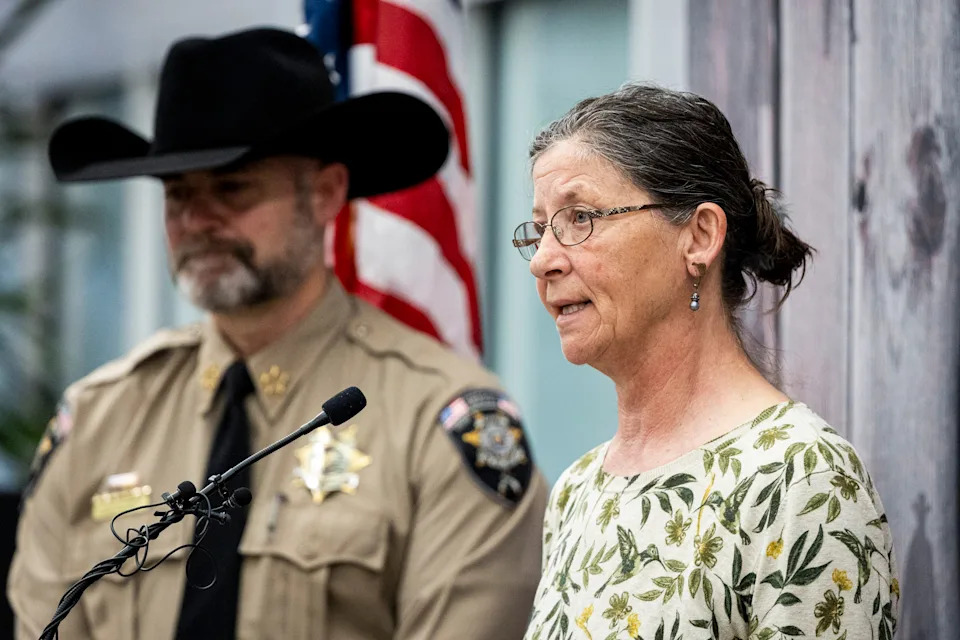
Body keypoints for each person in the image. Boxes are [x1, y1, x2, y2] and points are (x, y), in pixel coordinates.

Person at [8, 27, 547, 640]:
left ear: (325, 193)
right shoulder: (99, 417)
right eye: (177, 194)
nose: (197, 220)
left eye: (232, 188)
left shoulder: (436, 418)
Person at [515, 84, 899, 639]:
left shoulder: (801, 480)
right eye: (541, 229)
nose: (543, 261)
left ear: (699, 236)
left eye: (580, 218)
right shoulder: (578, 490)